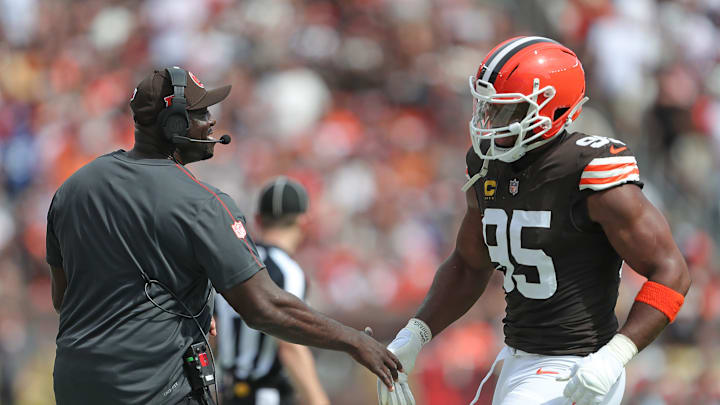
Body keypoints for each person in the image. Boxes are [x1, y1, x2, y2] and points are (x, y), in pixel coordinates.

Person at [46, 66, 401, 405]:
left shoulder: (71, 190)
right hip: (151, 389)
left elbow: (64, 298)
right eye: (201, 113)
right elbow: (264, 309)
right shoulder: (203, 203)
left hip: (74, 386)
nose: (211, 121)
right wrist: (354, 341)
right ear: (174, 124)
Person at [375, 36, 691, 405]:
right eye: (488, 107)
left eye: (508, 111)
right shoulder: (487, 165)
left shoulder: (589, 170)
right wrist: (413, 337)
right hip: (516, 358)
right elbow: (469, 264)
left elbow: (672, 271)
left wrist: (616, 354)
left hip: (576, 366)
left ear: (553, 110)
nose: (490, 121)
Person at [215, 176, 329, 405]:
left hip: (228, 393)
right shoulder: (287, 271)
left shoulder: (233, 263)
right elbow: (290, 347)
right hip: (265, 395)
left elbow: (213, 335)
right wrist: (318, 401)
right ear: (303, 221)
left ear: (258, 219)